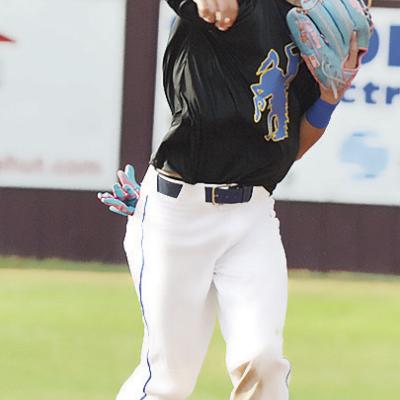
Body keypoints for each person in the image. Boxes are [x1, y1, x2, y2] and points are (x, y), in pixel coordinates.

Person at [99, 0, 365, 398]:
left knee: (263, 361)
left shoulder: (312, 28)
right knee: (168, 382)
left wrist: (328, 100)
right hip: (178, 215)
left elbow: (288, 146)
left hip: (252, 217)